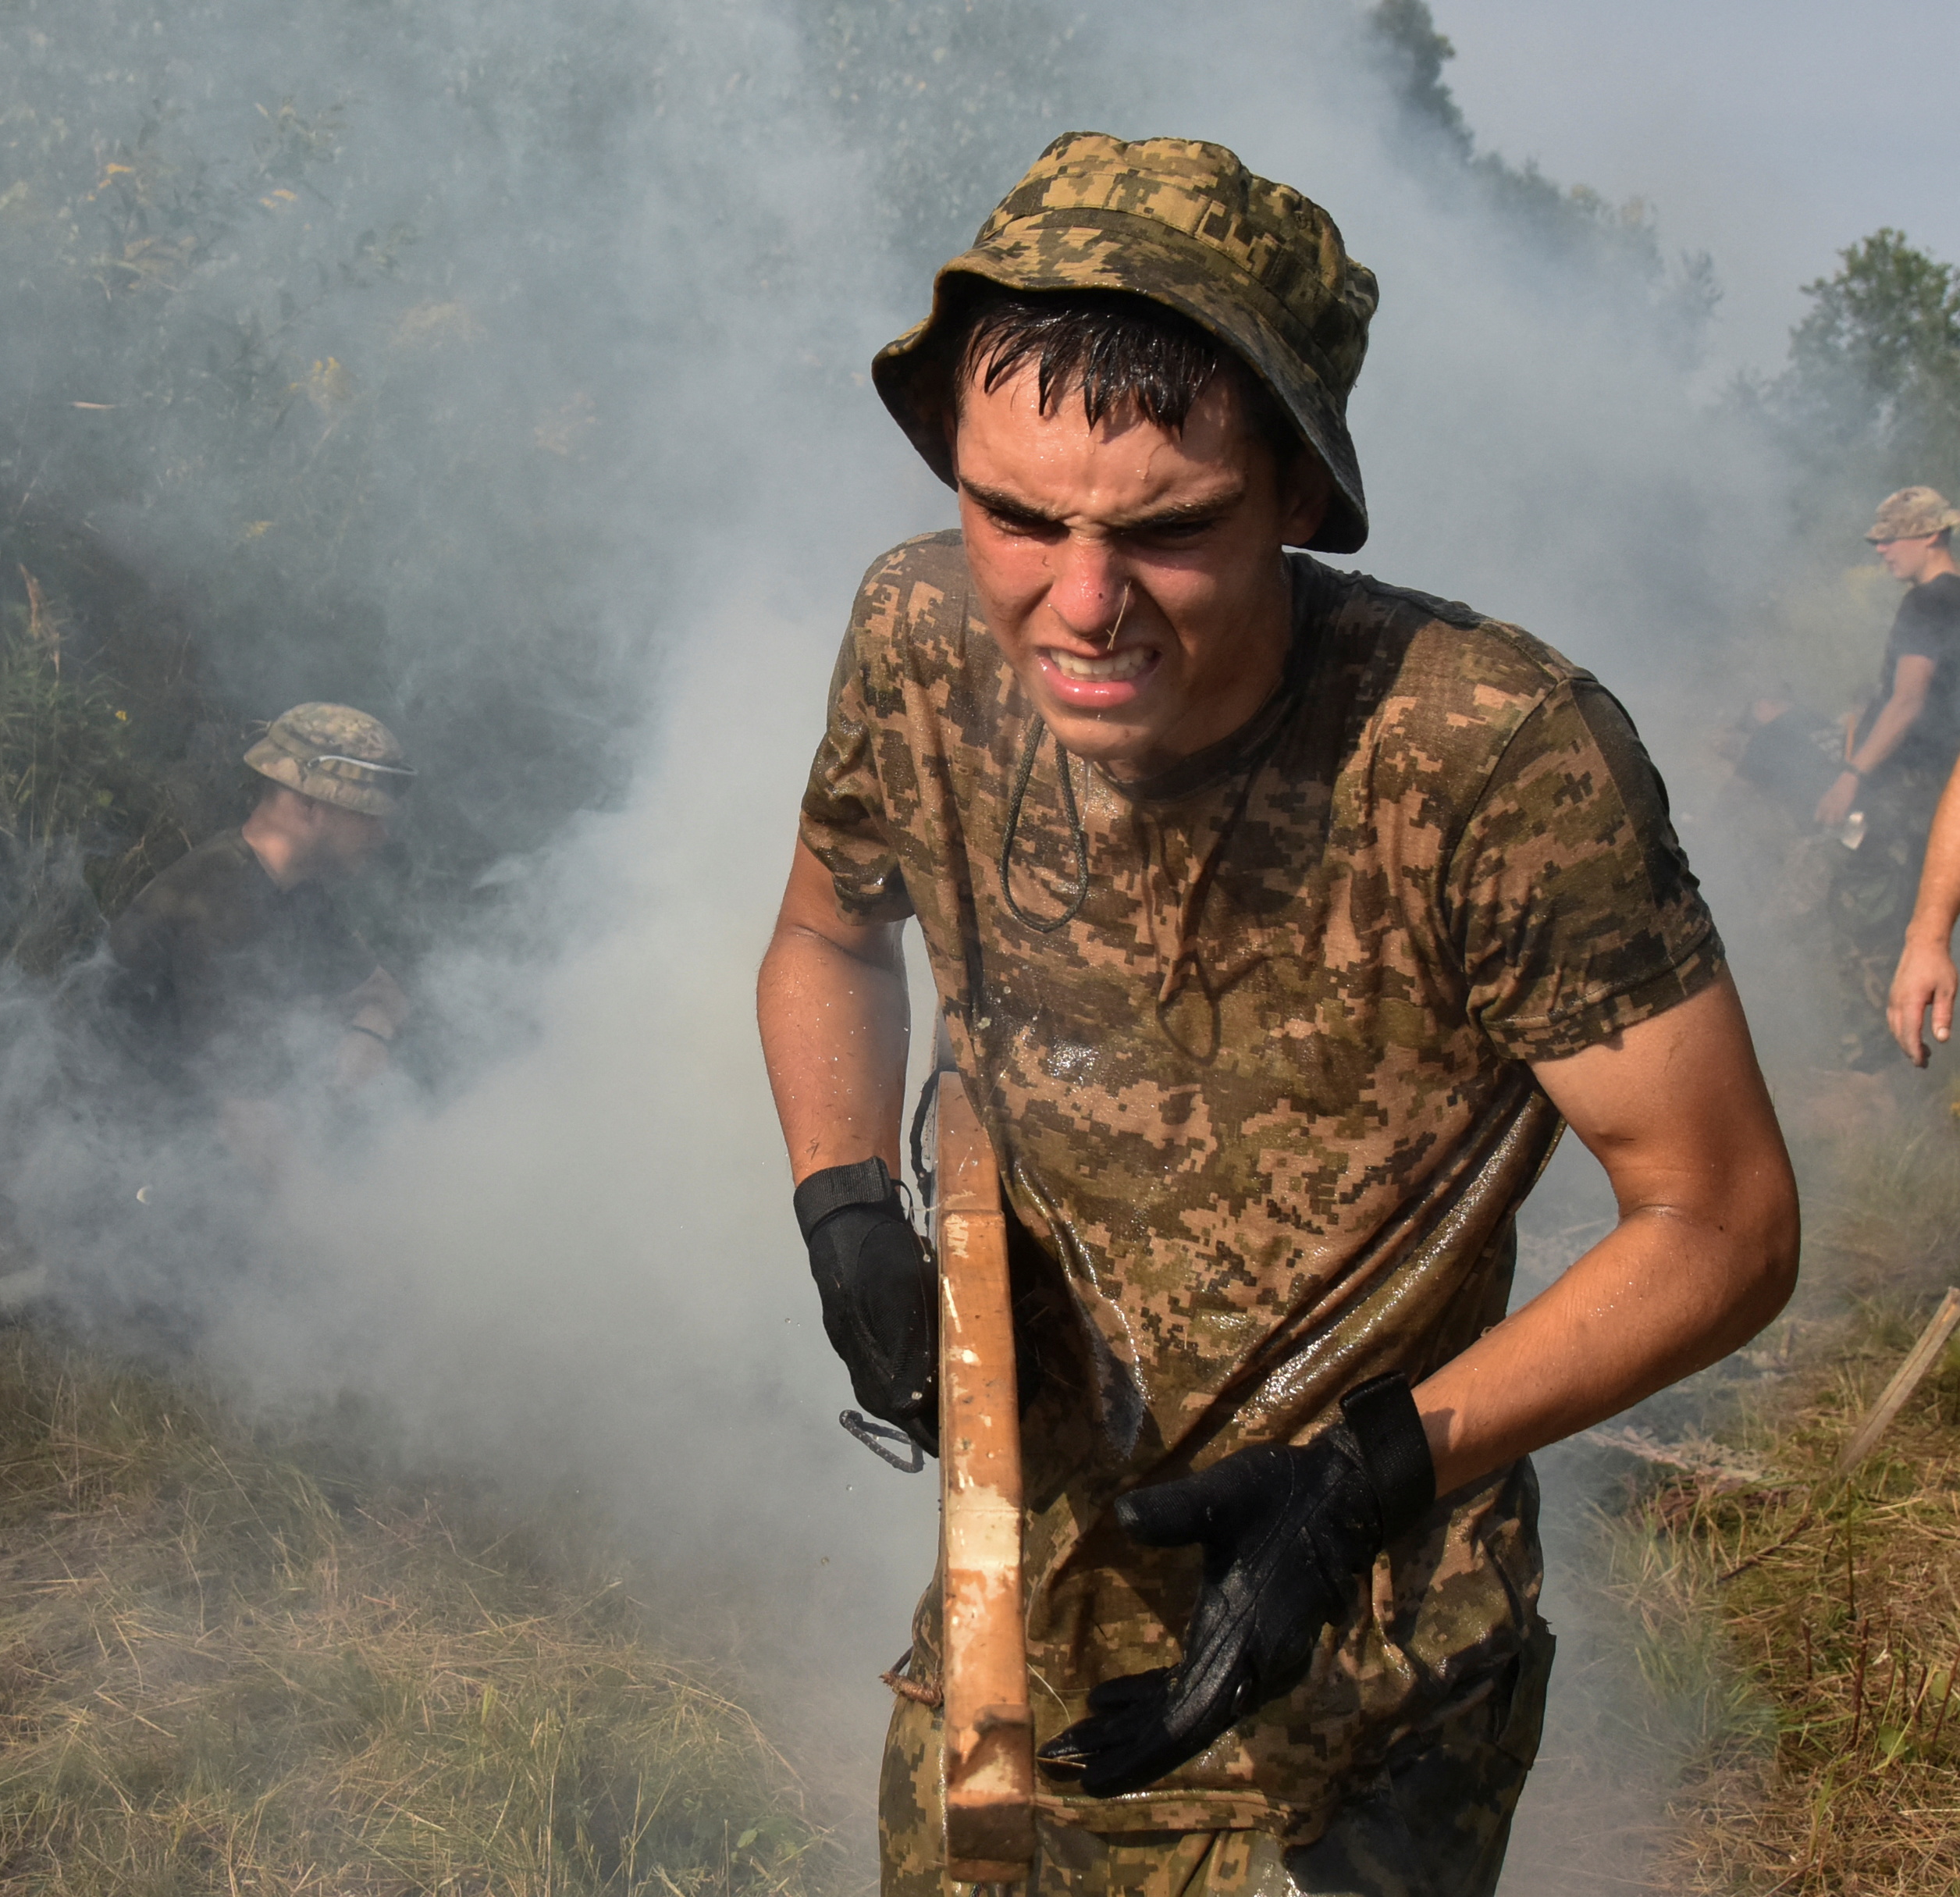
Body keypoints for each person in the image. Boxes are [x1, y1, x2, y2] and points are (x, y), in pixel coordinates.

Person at [754, 133, 1798, 1895]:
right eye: (1016, 517)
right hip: (1021, 1615)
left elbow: (1724, 1219)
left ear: (1300, 492)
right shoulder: (919, 643)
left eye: (1167, 533)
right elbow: (826, 934)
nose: (1079, 608)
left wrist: (1369, 1474)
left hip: (1373, 1664)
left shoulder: (1486, 756)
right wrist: (843, 1196)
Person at [104, 703, 413, 1144]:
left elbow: (389, 996)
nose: (382, 835)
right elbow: (243, 1116)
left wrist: (371, 1031)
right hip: (122, 1154)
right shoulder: (220, 901)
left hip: (198, 1139)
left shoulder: (299, 890)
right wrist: (328, 1210)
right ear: (309, 805)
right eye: (368, 815)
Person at [1823, 488, 1960, 1071]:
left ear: (1929, 535)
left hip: (1908, 786)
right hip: (1939, 782)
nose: (1880, 549)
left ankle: (1874, 1060)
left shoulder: (1927, 603)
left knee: (1865, 906)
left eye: (1889, 537)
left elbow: (1906, 702)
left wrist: (1851, 776)